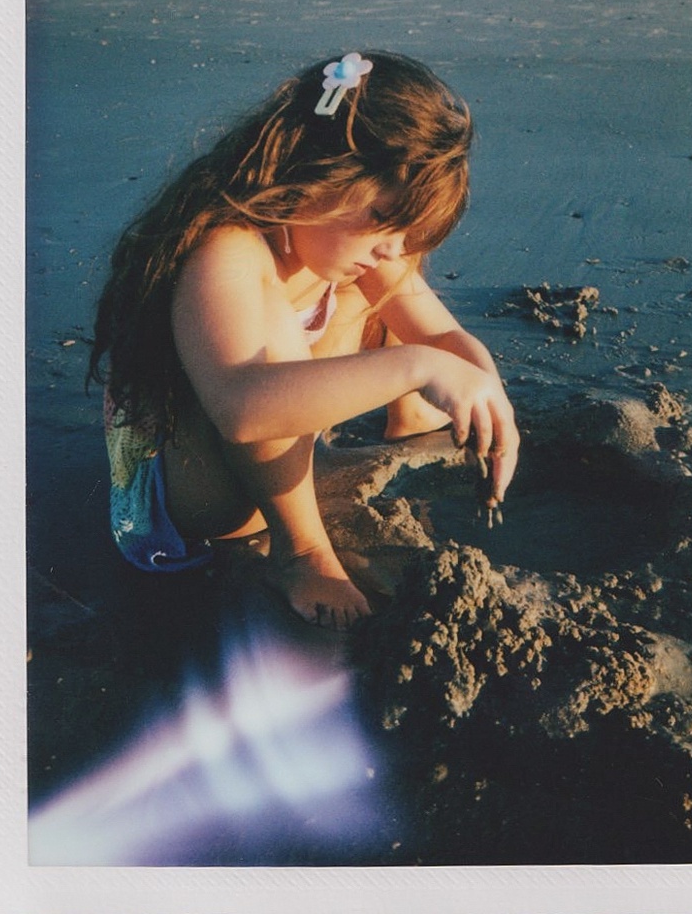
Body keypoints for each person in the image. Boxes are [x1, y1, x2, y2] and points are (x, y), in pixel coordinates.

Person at [88, 51, 519, 630]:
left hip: (266, 432)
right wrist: (415, 367)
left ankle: (410, 427)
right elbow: (242, 407)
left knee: (386, 280)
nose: (395, 244)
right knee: (286, 346)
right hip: (184, 497)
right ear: (318, 173)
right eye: (385, 216)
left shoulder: (343, 240)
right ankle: (302, 551)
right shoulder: (226, 249)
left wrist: (490, 398)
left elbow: (441, 333)